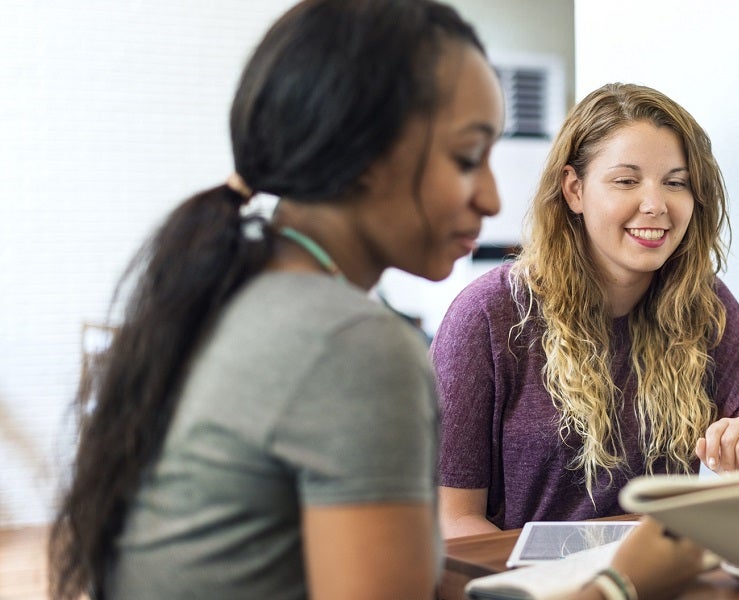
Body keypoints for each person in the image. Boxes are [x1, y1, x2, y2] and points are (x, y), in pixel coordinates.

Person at [47, 2, 701, 599]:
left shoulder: (235, 290)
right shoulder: (349, 342)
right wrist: (622, 583)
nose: (493, 199)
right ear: (365, 153)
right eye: (467, 157)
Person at [433, 82, 739, 537]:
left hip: (657, 579)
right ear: (574, 190)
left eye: (676, 183)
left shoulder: (704, 305)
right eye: (626, 181)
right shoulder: (486, 316)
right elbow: (450, 519)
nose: (655, 205)